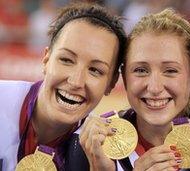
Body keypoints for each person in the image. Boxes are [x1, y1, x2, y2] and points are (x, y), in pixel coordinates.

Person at [66, 8, 190, 171]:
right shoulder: (92, 145)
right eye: (140, 70)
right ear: (124, 77)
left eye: (170, 71)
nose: (154, 87)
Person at [0, 2, 126, 171]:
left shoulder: (105, 157)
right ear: (46, 59)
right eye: (66, 60)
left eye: (95, 70)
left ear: (111, 83)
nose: (76, 81)